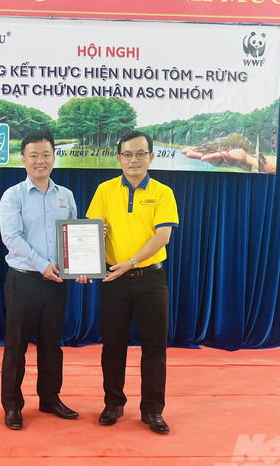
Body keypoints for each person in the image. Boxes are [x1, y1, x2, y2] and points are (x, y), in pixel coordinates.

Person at [86, 131, 179, 434]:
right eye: (128, 154)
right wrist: (91, 244)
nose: (134, 160)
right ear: (119, 158)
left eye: (141, 154)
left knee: (155, 347)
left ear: (152, 157)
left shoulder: (163, 192)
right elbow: (92, 231)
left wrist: (133, 262)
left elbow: (162, 236)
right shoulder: (105, 190)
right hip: (114, 280)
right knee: (113, 346)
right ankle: (113, 403)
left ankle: (152, 410)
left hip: (151, 278)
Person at [0, 129, 80, 430]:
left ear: (54, 157)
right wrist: (43, 264)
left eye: (46, 154)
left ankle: (49, 398)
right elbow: (12, 238)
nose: (40, 161)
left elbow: (71, 238)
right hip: (24, 280)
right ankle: (12, 405)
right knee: (16, 345)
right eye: (34, 155)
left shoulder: (66, 196)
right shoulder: (13, 196)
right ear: (23, 160)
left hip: (57, 282)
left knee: (51, 345)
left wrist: (80, 265)